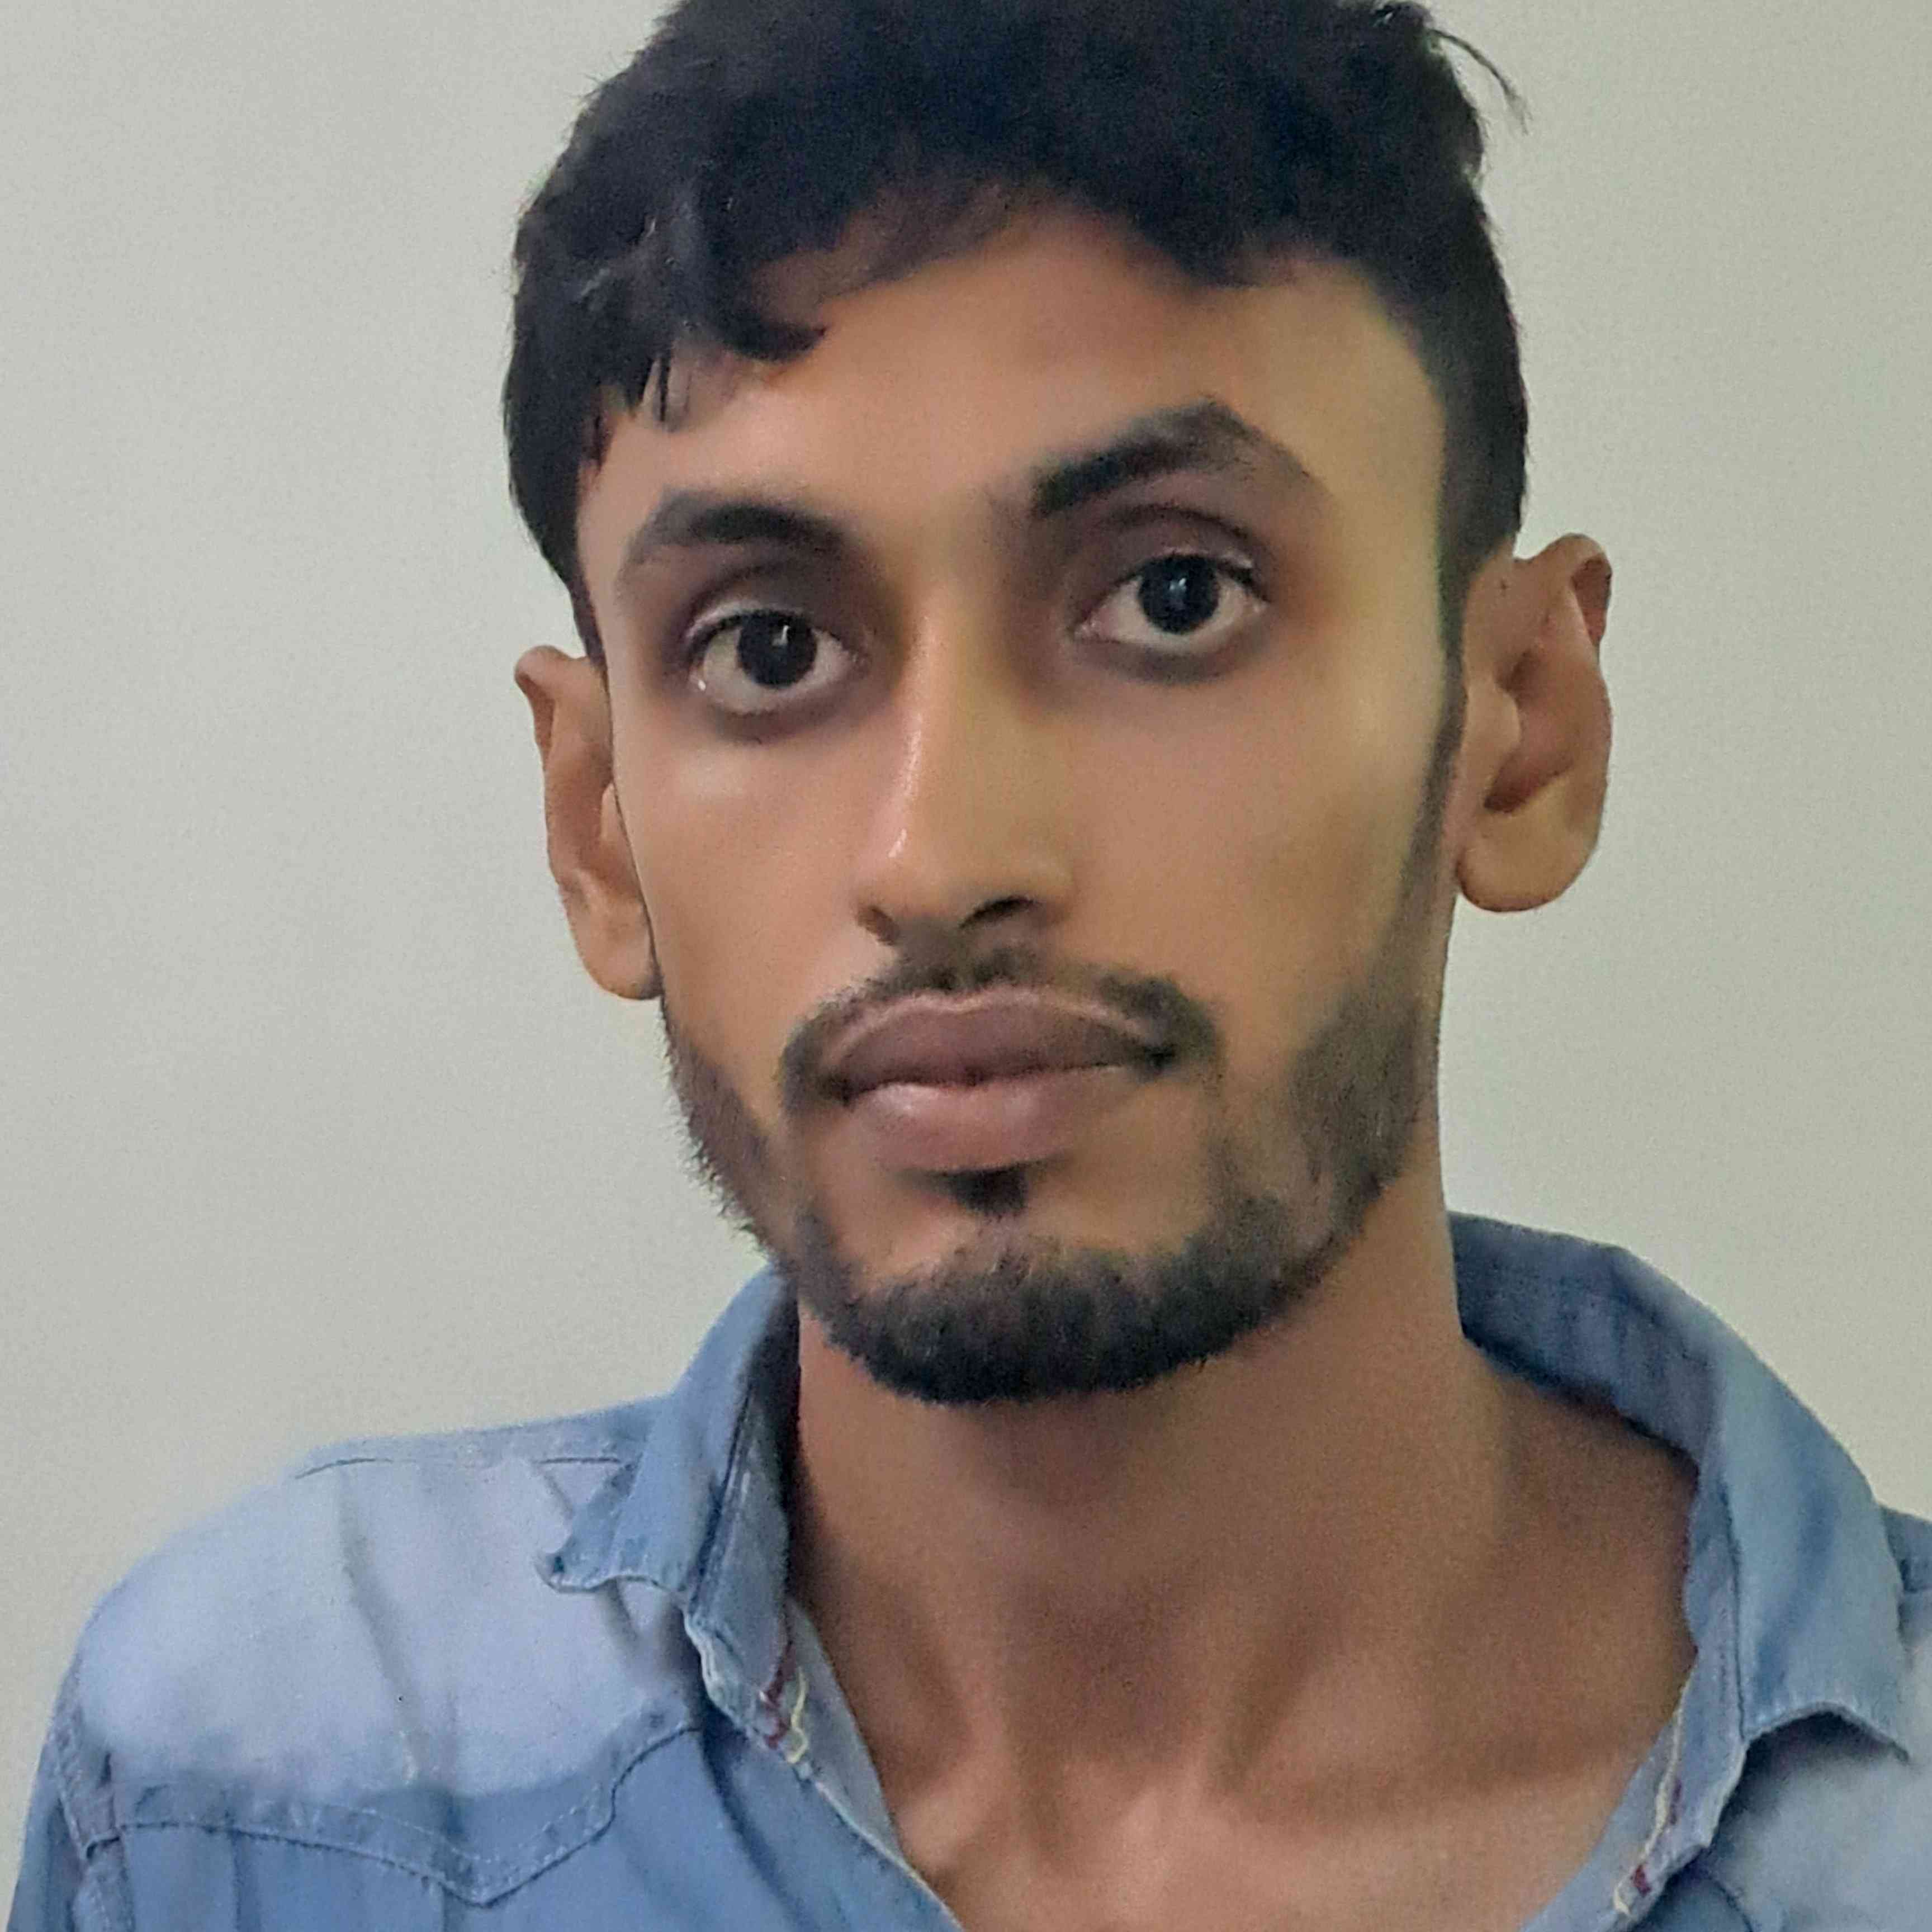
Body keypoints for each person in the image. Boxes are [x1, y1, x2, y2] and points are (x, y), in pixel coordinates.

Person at [11, 0, 1928, 1925]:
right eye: (767, 649)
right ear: (597, 825)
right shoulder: (249, 1804)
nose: (940, 860)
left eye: (1174, 597)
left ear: (1519, 732)